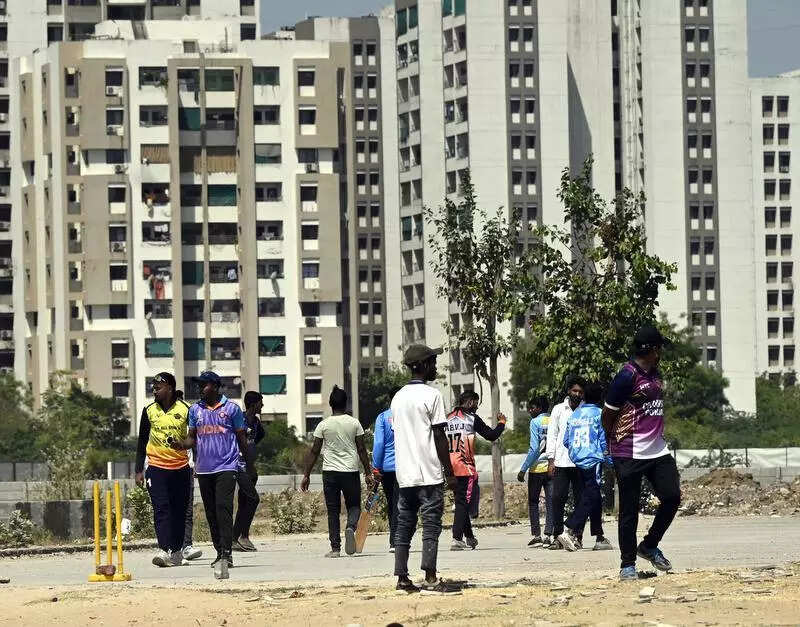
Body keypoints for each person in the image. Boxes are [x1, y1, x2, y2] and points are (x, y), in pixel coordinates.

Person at [602, 325, 681, 580]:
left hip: (657, 450)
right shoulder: (626, 376)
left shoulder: (656, 374)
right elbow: (608, 415)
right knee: (629, 510)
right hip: (628, 452)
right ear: (652, 350)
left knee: (671, 496)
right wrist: (612, 446)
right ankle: (627, 565)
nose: (661, 352)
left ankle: (649, 545)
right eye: (659, 347)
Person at [171, 371, 253, 580]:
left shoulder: (232, 409)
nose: (200, 388)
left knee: (223, 509)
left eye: (204, 384)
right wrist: (180, 445)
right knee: (211, 513)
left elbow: (242, 440)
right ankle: (219, 551)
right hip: (204, 469)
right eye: (199, 385)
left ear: (215, 386)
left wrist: (249, 465)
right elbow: (192, 439)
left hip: (227, 467)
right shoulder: (195, 410)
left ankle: (227, 553)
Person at [391, 344, 457, 593]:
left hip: (405, 475)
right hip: (428, 474)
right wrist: (449, 472)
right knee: (430, 526)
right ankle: (430, 577)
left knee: (404, 526)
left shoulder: (398, 398)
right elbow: (440, 436)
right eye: (432, 361)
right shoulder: (432, 395)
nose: (435, 366)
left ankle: (402, 578)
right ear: (422, 365)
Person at [301, 386, 373, 557]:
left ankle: (335, 548)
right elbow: (362, 449)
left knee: (333, 510)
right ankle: (350, 527)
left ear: (330, 403)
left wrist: (306, 475)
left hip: (330, 472)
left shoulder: (323, 425)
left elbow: (314, 451)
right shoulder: (354, 423)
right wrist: (368, 472)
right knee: (354, 505)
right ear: (346, 403)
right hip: (350, 471)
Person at [134, 372, 192, 568]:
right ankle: (163, 549)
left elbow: (195, 438)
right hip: (156, 468)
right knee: (161, 509)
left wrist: (183, 445)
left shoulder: (186, 409)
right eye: (153, 387)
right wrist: (138, 470)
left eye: (158, 387)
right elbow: (142, 440)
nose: (155, 391)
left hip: (181, 468)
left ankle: (176, 551)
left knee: (179, 511)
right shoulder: (149, 410)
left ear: (170, 388)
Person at [445, 391, 506, 551]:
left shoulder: (447, 417)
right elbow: (491, 435)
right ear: (471, 402)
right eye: (476, 403)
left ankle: (469, 537)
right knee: (463, 504)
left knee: (460, 503)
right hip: (465, 468)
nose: (477, 407)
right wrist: (501, 423)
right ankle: (456, 538)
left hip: (449, 468)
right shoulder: (472, 418)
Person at [560, 382, 613, 552]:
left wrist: (578, 452)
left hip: (577, 459)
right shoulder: (599, 414)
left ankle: (599, 537)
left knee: (592, 495)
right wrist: (609, 460)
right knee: (591, 495)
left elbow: (566, 441)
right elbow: (603, 439)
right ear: (600, 398)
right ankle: (570, 527)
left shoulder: (575, 415)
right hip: (592, 459)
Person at [545, 375, 586, 550]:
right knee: (557, 499)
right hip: (561, 462)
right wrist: (551, 460)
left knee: (580, 500)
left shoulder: (587, 410)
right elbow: (552, 435)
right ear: (568, 391)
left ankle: (577, 536)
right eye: (574, 390)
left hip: (582, 463)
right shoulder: (558, 410)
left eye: (580, 391)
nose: (577, 394)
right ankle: (558, 536)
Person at [517, 395, 554, 548]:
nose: (530, 411)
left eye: (532, 408)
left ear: (539, 408)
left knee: (533, 501)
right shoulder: (554, 419)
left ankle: (537, 535)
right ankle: (548, 534)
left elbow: (534, 449)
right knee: (551, 502)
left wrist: (523, 469)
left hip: (537, 467)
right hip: (552, 466)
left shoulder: (535, 422)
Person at [233, 391, 266, 552]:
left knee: (245, 502)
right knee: (252, 499)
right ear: (253, 404)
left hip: (250, 467)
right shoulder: (240, 419)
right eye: (261, 402)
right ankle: (235, 537)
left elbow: (259, 437)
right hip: (240, 466)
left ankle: (243, 536)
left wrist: (252, 451)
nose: (263, 405)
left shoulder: (256, 422)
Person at [372, 387, 402, 552]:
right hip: (406, 466)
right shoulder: (409, 417)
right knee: (402, 504)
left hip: (388, 468)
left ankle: (394, 540)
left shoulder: (383, 417)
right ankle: (398, 539)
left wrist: (376, 466)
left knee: (392, 503)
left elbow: (378, 444)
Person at [175, 389, 202, 562]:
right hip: (166, 469)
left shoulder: (189, 418)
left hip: (187, 468)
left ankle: (186, 546)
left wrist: (197, 465)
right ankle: (173, 547)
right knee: (170, 510)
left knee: (187, 511)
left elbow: (195, 443)